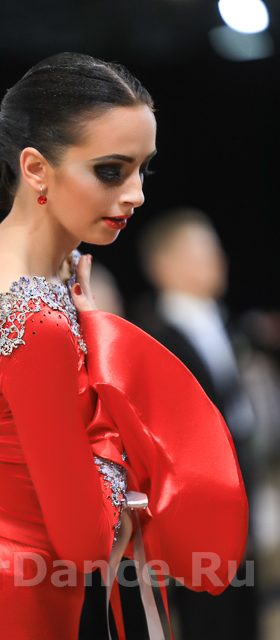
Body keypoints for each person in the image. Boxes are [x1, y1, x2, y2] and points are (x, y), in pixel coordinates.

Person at [0, 54, 247, 640]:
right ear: (36, 168)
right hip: (6, 608)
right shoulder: (36, 318)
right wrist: (119, 439)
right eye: (112, 171)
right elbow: (86, 542)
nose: (137, 193)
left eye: (143, 169)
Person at [135, 207, 258, 640]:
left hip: (244, 482)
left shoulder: (226, 322)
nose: (217, 259)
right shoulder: (152, 335)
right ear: (163, 265)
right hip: (199, 499)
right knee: (212, 611)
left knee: (246, 601)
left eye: (215, 249)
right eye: (202, 251)